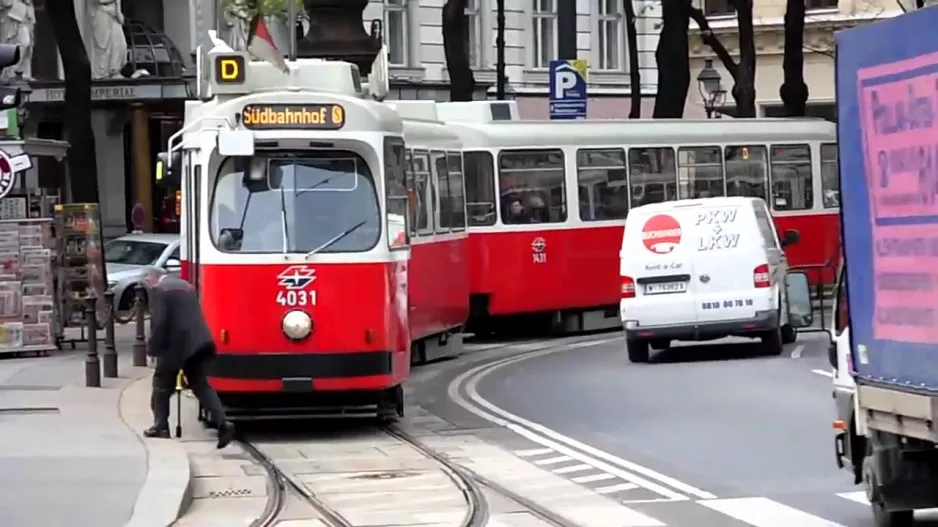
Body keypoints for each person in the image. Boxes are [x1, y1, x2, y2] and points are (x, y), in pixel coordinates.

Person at [141, 268, 235, 449]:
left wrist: (152, 348)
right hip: (199, 342)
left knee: (161, 384)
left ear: (150, 279)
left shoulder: (159, 290)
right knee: (200, 384)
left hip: (175, 345)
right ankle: (223, 423)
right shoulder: (187, 286)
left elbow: (160, 322)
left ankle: (160, 426)